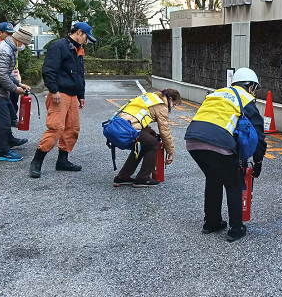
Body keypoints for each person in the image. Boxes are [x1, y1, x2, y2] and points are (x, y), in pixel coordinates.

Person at [184, 68, 267, 242]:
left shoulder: (217, 93)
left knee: (213, 178)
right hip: (218, 142)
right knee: (233, 182)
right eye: (255, 88)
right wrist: (258, 162)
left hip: (193, 140)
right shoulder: (245, 98)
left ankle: (211, 222)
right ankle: (236, 229)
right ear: (250, 86)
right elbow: (258, 135)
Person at [29, 22, 96, 178]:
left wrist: (81, 95)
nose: (86, 41)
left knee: (72, 129)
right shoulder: (58, 46)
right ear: (79, 32)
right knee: (56, 128)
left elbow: (79, 74)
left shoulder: (78, 49)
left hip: (72, 95)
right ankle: (36, 162)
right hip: (60, 94)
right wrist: (53, 90)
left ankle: (62, 161)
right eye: (86, 37)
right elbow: (48, 70)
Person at [0, 28, 34, 162]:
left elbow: (7, 73)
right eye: (24, 44)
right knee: (4, 120)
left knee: (8, 116)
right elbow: (2, 76)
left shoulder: (8, 48)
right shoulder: (4, 50)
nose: (24, 47)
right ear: (19, 41)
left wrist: (19, 84)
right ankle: (4, 152)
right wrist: (15, 89)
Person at [113, 89, 181, 188]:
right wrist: (170, 152)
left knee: (143, 144)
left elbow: (138, 116)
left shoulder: (151, 97)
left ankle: (122, 177)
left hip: (117, 125)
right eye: (174, 104)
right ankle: (143, 178)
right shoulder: (161, 105)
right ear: (170, 98)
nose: (173, 106)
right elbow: (165, 131)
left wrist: (148, 130)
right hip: (127, 129)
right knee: (152, 144)